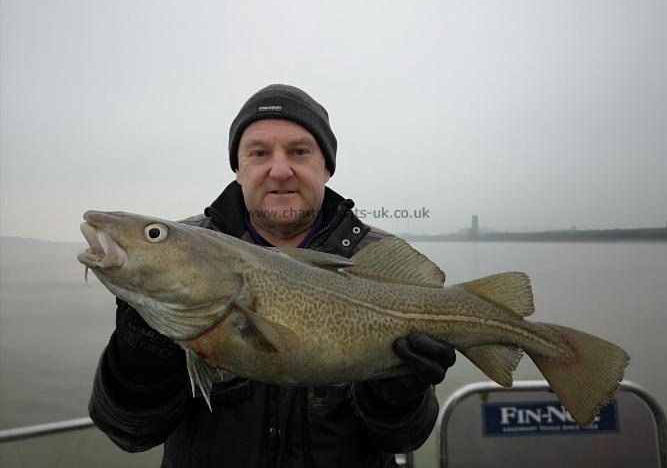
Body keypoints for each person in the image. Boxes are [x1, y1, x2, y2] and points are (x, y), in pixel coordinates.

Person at [89, 84, 457, 468]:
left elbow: (405, 437)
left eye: (299, 152)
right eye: (259, 153)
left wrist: (395, 396)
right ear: (238, 167)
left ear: (326, 166)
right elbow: (129, 433)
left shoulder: (376, 257)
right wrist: (138, 363)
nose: (280, 170)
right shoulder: (179, 257)